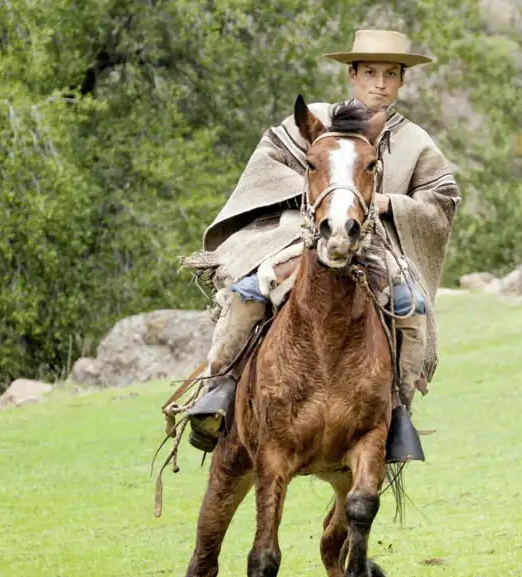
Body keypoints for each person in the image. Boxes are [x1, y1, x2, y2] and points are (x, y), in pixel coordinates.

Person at [178, 29, 461, 463]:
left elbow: (441, 199)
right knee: (250, 290)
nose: (379, 83)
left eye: (390, 74)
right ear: (352, 74)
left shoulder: (414, 141)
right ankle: (218, 390)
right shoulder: (312, 120)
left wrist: (387, 203)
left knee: (410, 307)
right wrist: (325, 196)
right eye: (370, 72)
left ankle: (397, 410)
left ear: (402, 80)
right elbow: (265, 166)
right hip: (301, 235)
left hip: (375, 242)